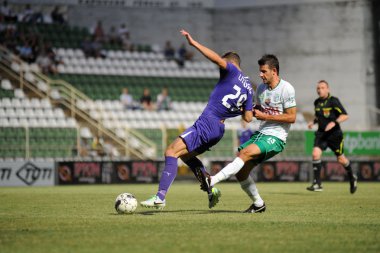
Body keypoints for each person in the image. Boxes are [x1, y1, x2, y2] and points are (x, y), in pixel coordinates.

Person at [140, 29, 254, 210]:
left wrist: (194, 44)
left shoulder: (231, 69)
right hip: (219, 129)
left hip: (208, 122)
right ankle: (210, 188)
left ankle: (160, 197)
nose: (220, 67)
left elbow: (217, 59)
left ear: (231, 62)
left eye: (223, 64)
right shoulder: (249, 88)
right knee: (186, 155)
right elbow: (248, 117)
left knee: (170, 152)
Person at [205, 54, 297, 213]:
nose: (260, 75)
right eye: (260, 71)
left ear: (274, 71)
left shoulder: (286, 88)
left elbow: (292, 117)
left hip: (276, 137)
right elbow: (257, 112)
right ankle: (258, 204)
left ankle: (212, 180)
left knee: (245, 153)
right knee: (241, 172)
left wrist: (265, 116)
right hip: (261, 133)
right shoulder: (261, 89)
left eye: (264, 71)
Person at [306, 80, 357, 193]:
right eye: (318, 88)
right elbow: (318, 116)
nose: (320, 90)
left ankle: (352, 176)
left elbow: (345, 115)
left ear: (328, 89)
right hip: (321, 134)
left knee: (341, 159)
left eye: (322, 87)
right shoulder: (316, 102)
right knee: (315, 154)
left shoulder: (333, 101)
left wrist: (334, 122)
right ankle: (317, 184)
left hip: (334, 135)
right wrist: (313, 122)